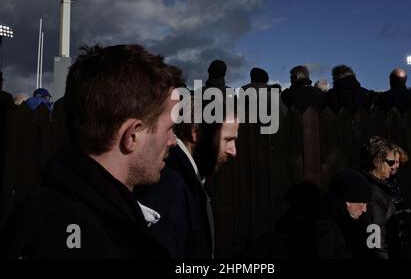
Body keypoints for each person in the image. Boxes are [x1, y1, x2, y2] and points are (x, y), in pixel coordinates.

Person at [0, 44, 178, 258]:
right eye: (169, 129)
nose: (173, 141)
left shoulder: (57, 209)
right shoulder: (88, 241)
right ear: (133, 135)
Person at [135, 95, 239, 259]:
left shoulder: (191, 181)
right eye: (227, 140)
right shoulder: (167, 187)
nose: (234, 151)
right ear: (196, 133)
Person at [311, 169, 373, 259]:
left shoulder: (350, 221)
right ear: (348, 201)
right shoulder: (324, 230)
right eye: (362, 203)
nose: (365, 209)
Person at [358, 136, 397, 259]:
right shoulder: (373, 193)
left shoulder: (377, 188)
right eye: (390, 162)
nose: (393, 167)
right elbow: (375, 244)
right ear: (377, 161)